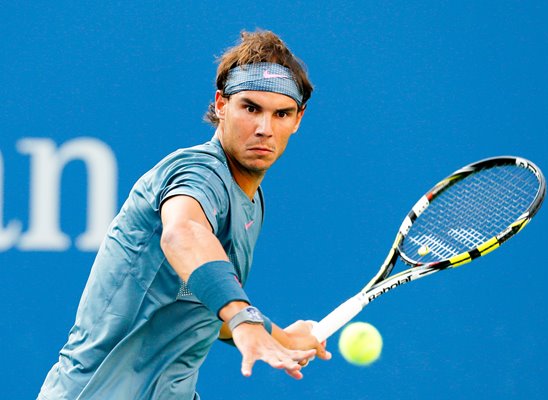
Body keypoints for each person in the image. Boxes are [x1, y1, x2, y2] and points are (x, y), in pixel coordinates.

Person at [38, 29, 330, 400]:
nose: (264, 129)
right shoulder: (197, 172)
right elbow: (183, 233)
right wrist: (243, 318)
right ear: (222, 104)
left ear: (298, 119)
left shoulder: (251, 201)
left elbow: (203, 303)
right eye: (250, 108)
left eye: (281, 113)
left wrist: (281, 337)